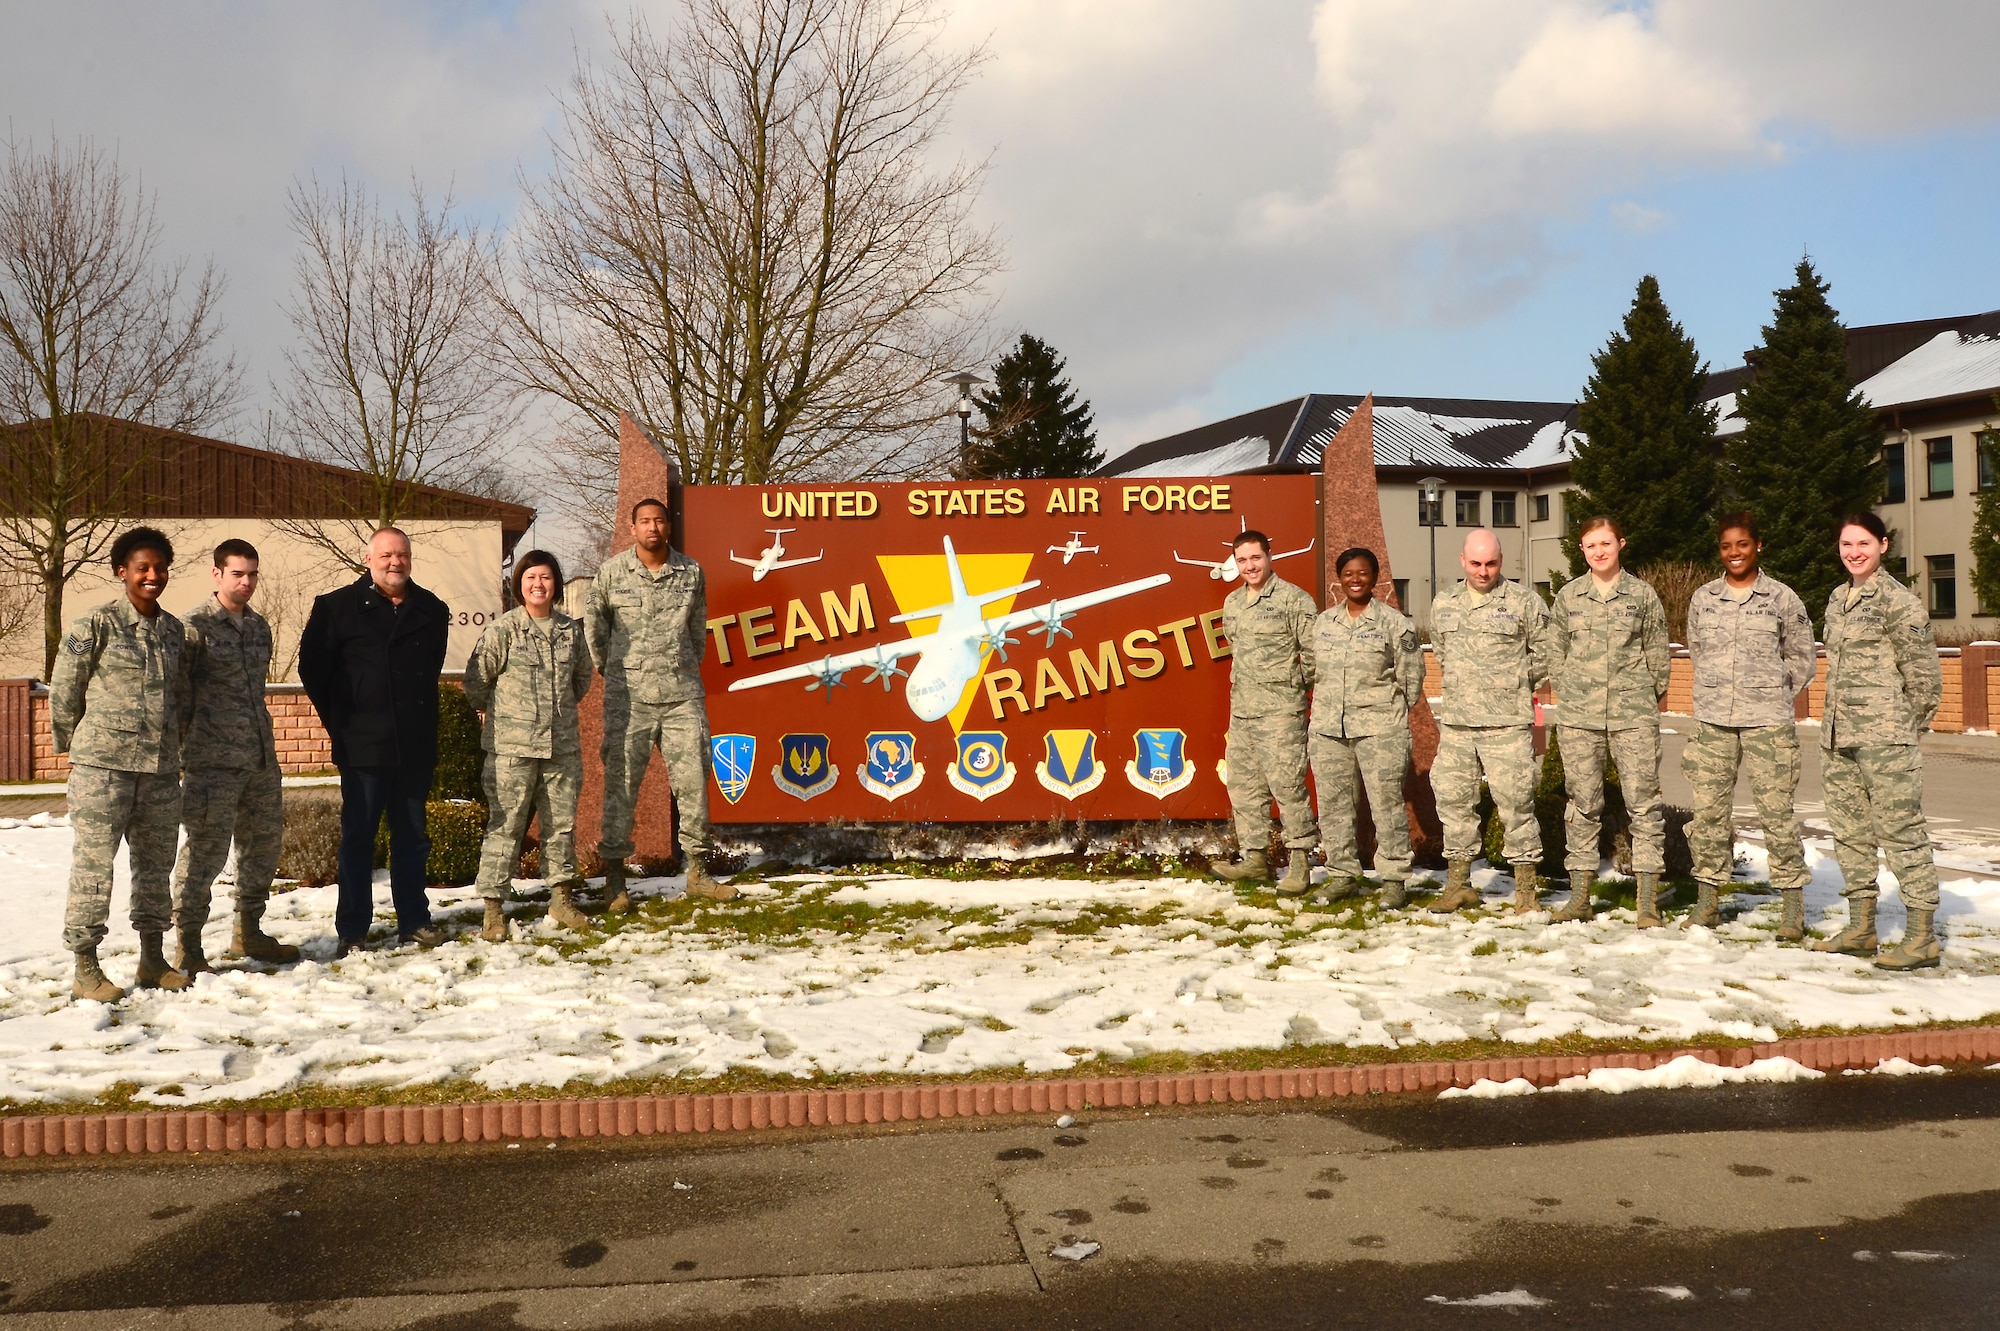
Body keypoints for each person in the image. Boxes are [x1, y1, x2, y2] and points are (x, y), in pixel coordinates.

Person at [51, 526, 192, 1000]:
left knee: (155, 868)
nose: (152, 576)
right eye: (142, 568)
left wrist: (177, 750)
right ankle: (85, 967)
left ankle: (152, 959)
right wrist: (73, 746)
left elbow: (182, 698)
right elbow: (65, 687)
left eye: (159, 568)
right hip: (103, 770)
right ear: (122, 572)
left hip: (158, 771)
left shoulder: (175, 632)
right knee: (95, 867)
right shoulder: (96, 625)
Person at [299, 526, 453, 954]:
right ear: (369, 559)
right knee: (358, 838)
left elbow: (430, 673)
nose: (394, 562)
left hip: (413, 744)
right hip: (363, 744)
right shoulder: (336, 608)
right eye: (386, 555)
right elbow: (314, 672)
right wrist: (342, 723)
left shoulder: (432, 609)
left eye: (402, 554)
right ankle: (352, 930)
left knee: (413, 838)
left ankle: (414, 921)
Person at [1813, 512, 1944, 969]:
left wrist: (1907, 728)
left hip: (1886, 739)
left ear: (1883, 545)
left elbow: (1925, 677)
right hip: (1838, 735)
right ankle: (1861, 928)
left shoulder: (1898, 601)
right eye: (1847, 544)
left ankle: (1922, 937)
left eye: (1864, 543)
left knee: (1901, 832)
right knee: (1850, 834)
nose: (1855, 552)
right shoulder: (1836, 599)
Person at [589, 497, 735, 905]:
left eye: (659, 520)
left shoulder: (690, 573)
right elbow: (595, 632)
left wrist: (679, 666)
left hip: (681, 696)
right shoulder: (611, 573)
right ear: (632, 528)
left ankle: (699, 873)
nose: (653, 527)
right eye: (644, 521)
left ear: (668, 526)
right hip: (628, 700)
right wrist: (616, 672)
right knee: (621, 787)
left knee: (694, 784)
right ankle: (616, 881)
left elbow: (697, 630)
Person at [1682, 513, 1816, 938]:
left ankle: (1792, 908)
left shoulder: (1781, 598)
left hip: (1767, 724)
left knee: (1777, 815)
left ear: (1759, 545)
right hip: (1713, 722)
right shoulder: (1704, 597)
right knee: (1708, 816)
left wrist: (1773, 691)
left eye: (1742, 544)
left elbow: (1802, 658)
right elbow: (1696, 648)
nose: (1734, 553)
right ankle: (1707, 903)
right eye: (1726, 546)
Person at [169, 539, 299, 973]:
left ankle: (249, 932)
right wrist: (181, 755)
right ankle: (187, 943)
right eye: (237, 574)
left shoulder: (260, 627)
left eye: (252, 574)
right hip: (211, 763)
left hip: (259, 760)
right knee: (205, 853)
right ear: (217, 574)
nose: (246, 582)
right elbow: (178, 697)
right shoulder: (193, 628)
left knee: (261, 848)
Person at [463, 550, 595, 938]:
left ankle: (562, 900)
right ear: (519, 584)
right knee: (506, 827)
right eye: (531, 577)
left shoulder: (571, 632)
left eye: (547, 578)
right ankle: (493, 909)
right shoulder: (503, 630)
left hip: (561, 747)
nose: (539, 585)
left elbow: (581, 680)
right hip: (512, 750)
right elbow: (476, 682)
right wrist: (506, 715)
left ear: (556, 586)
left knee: (561, 827)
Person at [1427, 528, 1559, 914]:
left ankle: (1525, 894)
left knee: (1517, 804)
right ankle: (1459, 886)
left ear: (1502, 561)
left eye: (1491, 563)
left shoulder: (1523, 602)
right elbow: (1442, 649)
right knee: (1454, 803)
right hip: (1458, 724)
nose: (1483, 571)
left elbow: (1546, 650)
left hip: (1507, 723)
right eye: (1476, 563)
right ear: (1462, 560)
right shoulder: (1444, 602)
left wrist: (1515, 681)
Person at [1546, 517, 1671, 924]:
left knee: (1644, 806)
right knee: (1582, 805)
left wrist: (1643, 695)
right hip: (1580, 718)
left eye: (1605, 544)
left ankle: (1647, 900)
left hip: (1632, 715)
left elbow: (1657, 652)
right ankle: (1580, 896)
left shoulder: (1642, 595)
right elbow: (1556, 652)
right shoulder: (1569, 596)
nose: (1599, 552)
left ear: (1621, 543)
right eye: (1590, 546)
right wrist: (1573, 691)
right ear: (1581, 550)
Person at [1307, 547, 1424, 908]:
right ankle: (1342, 874)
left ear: (1375, 578)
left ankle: (1393, 879)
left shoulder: (1394, 623)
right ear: (1338, 579)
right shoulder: (1325, 622)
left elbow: (1412, 679)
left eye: (1362, 574)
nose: (1355, 580)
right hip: (1329, 730)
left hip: (1380, 730)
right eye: (1348, 574)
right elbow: (1313, 671)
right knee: (1334, 807)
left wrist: (1387, 714)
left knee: (1386, 806)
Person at [1212, 529, 1320, 894]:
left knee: (1288, 788)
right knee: (1244, 788)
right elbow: (1237, 649)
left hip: (1280, 713)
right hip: (1242, 712)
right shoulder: (1233, 604)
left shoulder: (1294, 600)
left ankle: (1300, 862)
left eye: (1255, 558)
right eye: (1242, 560)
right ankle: (1255, 859)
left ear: (1269, 556)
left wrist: (1292, 687)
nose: (1249, 566)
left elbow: (1315, 655)